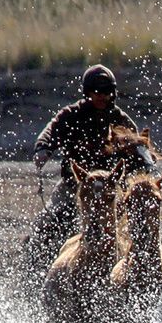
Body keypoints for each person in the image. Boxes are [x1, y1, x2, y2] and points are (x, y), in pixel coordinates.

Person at [23, 64, 143, 282]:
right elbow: (50, 132)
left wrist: (144, 161)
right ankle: (34, 275)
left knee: (140, 223)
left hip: (111, 189)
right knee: (46, 225)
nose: (100, 96)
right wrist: (43, 149)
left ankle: (138, 275)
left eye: (105, 92)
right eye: (95, 92)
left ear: (112, 93)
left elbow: (138, 147)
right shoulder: (70, 115)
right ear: (86, 92)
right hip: (74, 186)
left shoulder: (120, 119)